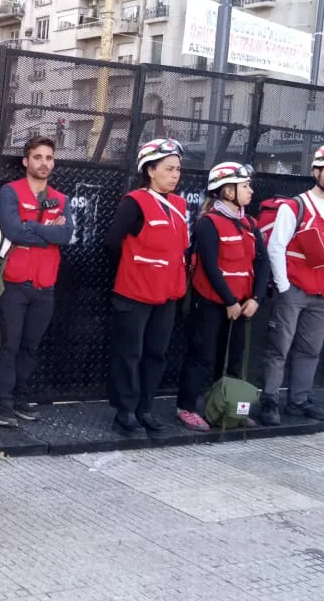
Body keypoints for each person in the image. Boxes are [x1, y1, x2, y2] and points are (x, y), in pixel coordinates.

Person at [259, 143, 324, 425]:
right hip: (294, 289)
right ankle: (270, 400)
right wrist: (284, 286)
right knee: (279, 348)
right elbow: (276, 246)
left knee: (310, 349)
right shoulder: (295, 206)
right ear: (316, 171)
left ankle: (299, 401)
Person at [175, 162, 270, 431]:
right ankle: (186, 407)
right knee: (202, 356)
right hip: (211, 303)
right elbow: (210, 266)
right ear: (228, 192)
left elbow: (263, 263)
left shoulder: (250, 223)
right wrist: (229, 301)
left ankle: (226, 406)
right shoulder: (209, 223)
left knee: (235, 358)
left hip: (242, 304)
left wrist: (256, 299)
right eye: (245, 186)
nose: (251, 191)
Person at [0, 136, 75, 427]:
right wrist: (47, 230)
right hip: (14, 283)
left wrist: (34, 229)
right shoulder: (9, 192)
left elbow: (66, 236)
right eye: (38, 157)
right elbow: (13, 231)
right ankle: (2, 402)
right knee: (9, 345)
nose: (44, 163)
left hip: (45, 287)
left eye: (49, 158)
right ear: (26, 161)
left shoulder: (61, 199)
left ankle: (21, 396)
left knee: (31, 346)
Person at [105, 138, 188, 435]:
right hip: (134, 292)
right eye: (168, 169)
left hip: (167, 293)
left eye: (178, 169)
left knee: (156, 354)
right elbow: (113, 243)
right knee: (130, 354)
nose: (175, 174)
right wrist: (136, 267)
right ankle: (124, 412)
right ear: (150, 171)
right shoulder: (134, 202)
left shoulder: (179, 204)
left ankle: (145, 408)